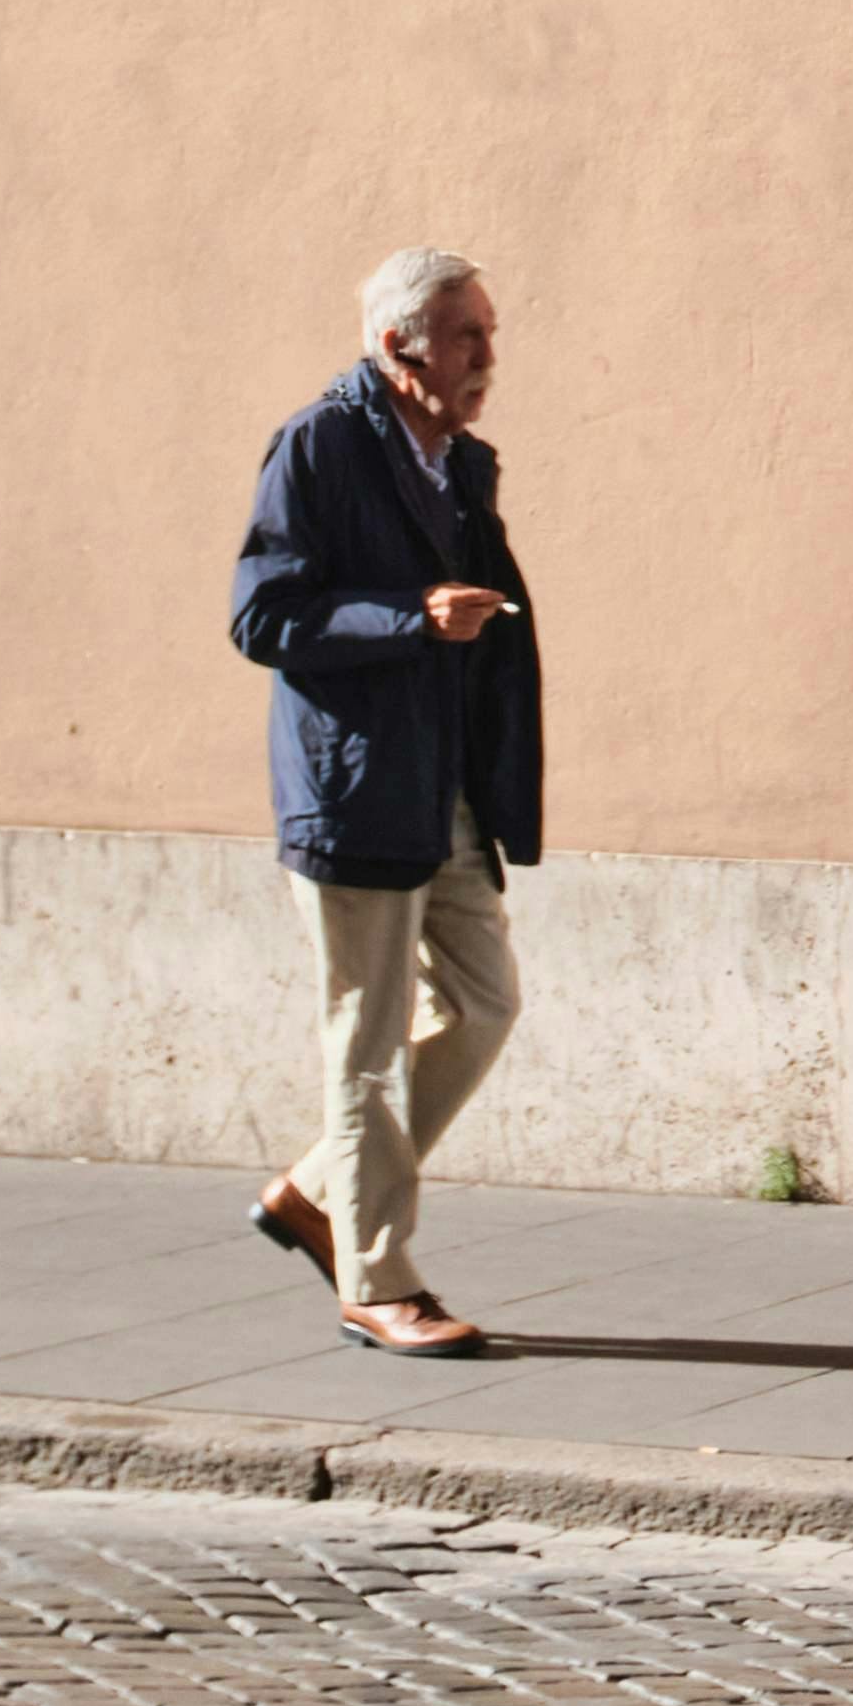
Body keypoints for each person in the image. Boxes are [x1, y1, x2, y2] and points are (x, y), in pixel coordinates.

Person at [224, 244, 541, 1355]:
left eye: (490, 333)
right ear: (399, 345)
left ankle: (317, 1189)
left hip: (442, 788)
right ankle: (376, 1279)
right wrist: (412, 616)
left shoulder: (457, 461)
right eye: (467, 336)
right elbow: (264, 616)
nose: (487, 355)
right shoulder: (320, 444)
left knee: (485, 1003)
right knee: (365, 1045)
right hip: (355, 791)